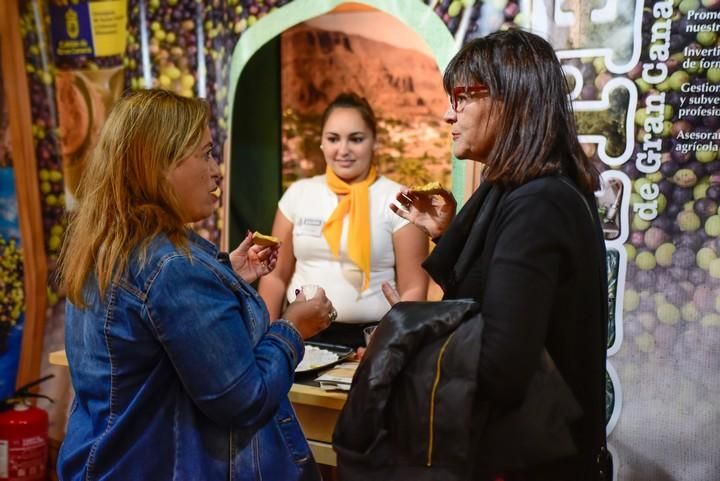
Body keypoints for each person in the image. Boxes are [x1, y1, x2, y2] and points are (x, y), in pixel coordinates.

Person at [355, 30, 610, 480]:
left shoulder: (538, 201)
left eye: (461, 97)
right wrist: (451, 234)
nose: (446, 113)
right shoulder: (530, 191)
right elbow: (502, 303)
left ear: (512, 98)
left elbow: (500, 368)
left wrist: (408, 336)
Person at [56, 89, 333, 481]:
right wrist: (293, 328)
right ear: (158, 165)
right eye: (205, 154)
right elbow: (245, 400)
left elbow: (156, 333)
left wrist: (228, 278)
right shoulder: (172, 267)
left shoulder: (106, 244)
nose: (217, 170)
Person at [258, 93, 428, 349]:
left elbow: (414, 287)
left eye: (356, 139)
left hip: (374, 339)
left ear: (375, 142)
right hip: (299, 335)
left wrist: (395, 341)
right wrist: (267, 340)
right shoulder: (299, 194)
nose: (343, 150)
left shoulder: (399, 199)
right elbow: (275, 277)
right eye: (333, 139)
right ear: (322, 143)